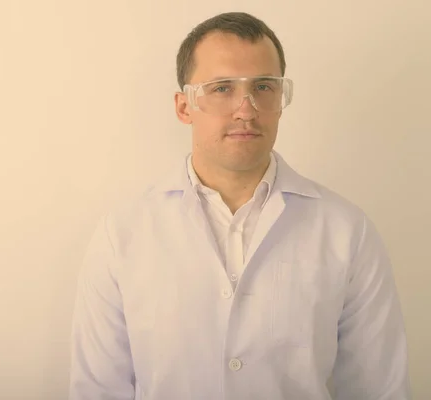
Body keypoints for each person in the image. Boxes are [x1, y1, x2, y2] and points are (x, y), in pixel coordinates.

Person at [68, 11, 411, 400]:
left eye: (263, 86)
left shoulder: (347, 231)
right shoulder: (124, 234)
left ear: (281, 99)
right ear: (184, 107)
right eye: (222, 88)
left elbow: (379, 388)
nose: (246, 109)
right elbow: (98, 390)